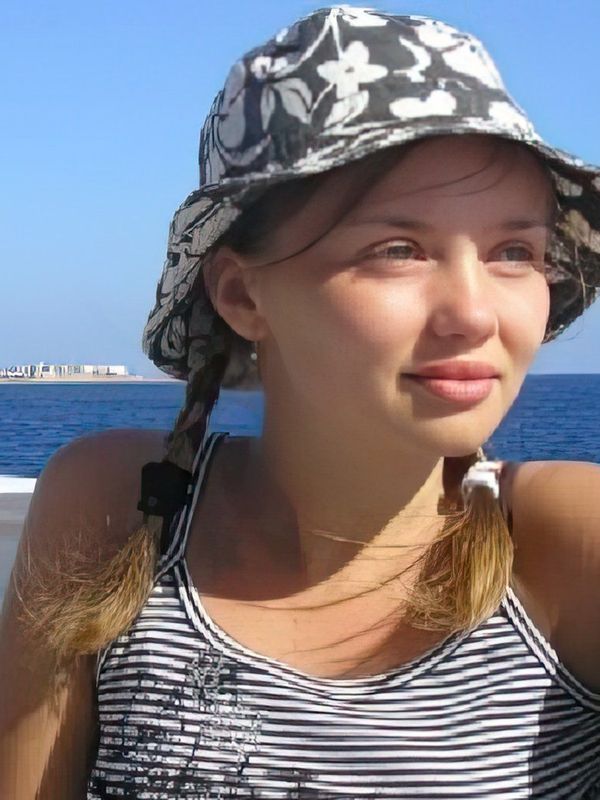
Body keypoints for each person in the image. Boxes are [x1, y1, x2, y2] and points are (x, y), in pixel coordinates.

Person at [2, 5, 600, 798]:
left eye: (514, 252)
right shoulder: (119, 508)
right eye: (398, 250)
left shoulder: (565, 545)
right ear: (242, 295)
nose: (476, 314)